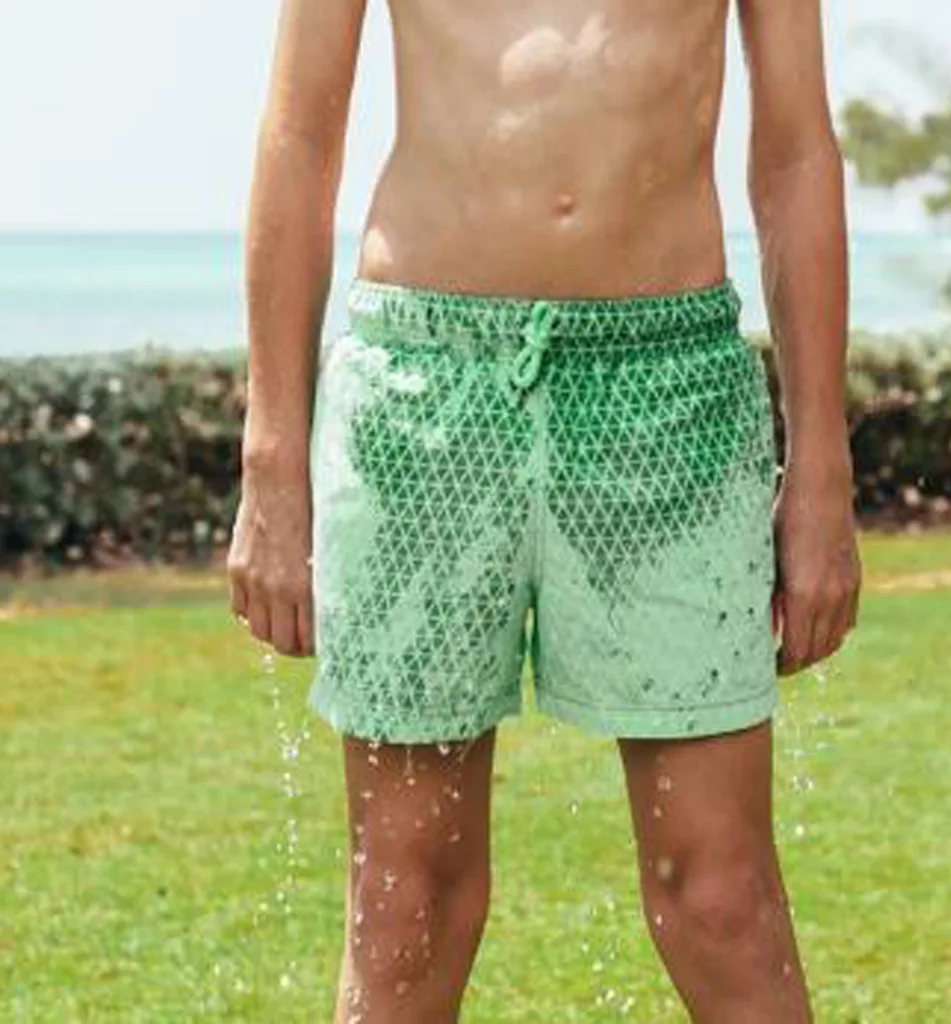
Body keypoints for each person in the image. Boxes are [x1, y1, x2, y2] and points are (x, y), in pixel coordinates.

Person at [227, 0, 861, 1019]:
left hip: (671, 395)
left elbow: (795, 152)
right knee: (404, 902)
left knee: (720, 896)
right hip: (422, 393)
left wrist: (822, 468)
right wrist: (271, 465)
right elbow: (299, 135)